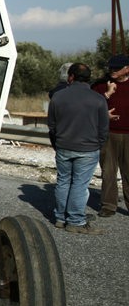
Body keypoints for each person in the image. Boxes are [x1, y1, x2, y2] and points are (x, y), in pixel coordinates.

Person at [49, 63, 108, 233]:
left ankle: (60, 217)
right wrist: (98, 144)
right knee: (80, 185)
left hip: (63, 146)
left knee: (63, 181)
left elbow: (52, 126)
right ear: (88, 78)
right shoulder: (98, 99)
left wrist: (57, 144)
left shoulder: (58, 97)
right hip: (88, 148)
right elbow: (103, 128)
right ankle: (75, 220)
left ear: (71, 76)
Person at [92, 53, 129, 217]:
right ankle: (108, 206)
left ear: (127, 69)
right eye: (111, 67)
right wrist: (103, 110)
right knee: (108, 171)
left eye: (117, 68)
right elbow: (90, 104)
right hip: (108, 133)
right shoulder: (101, 85)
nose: (112, 70)